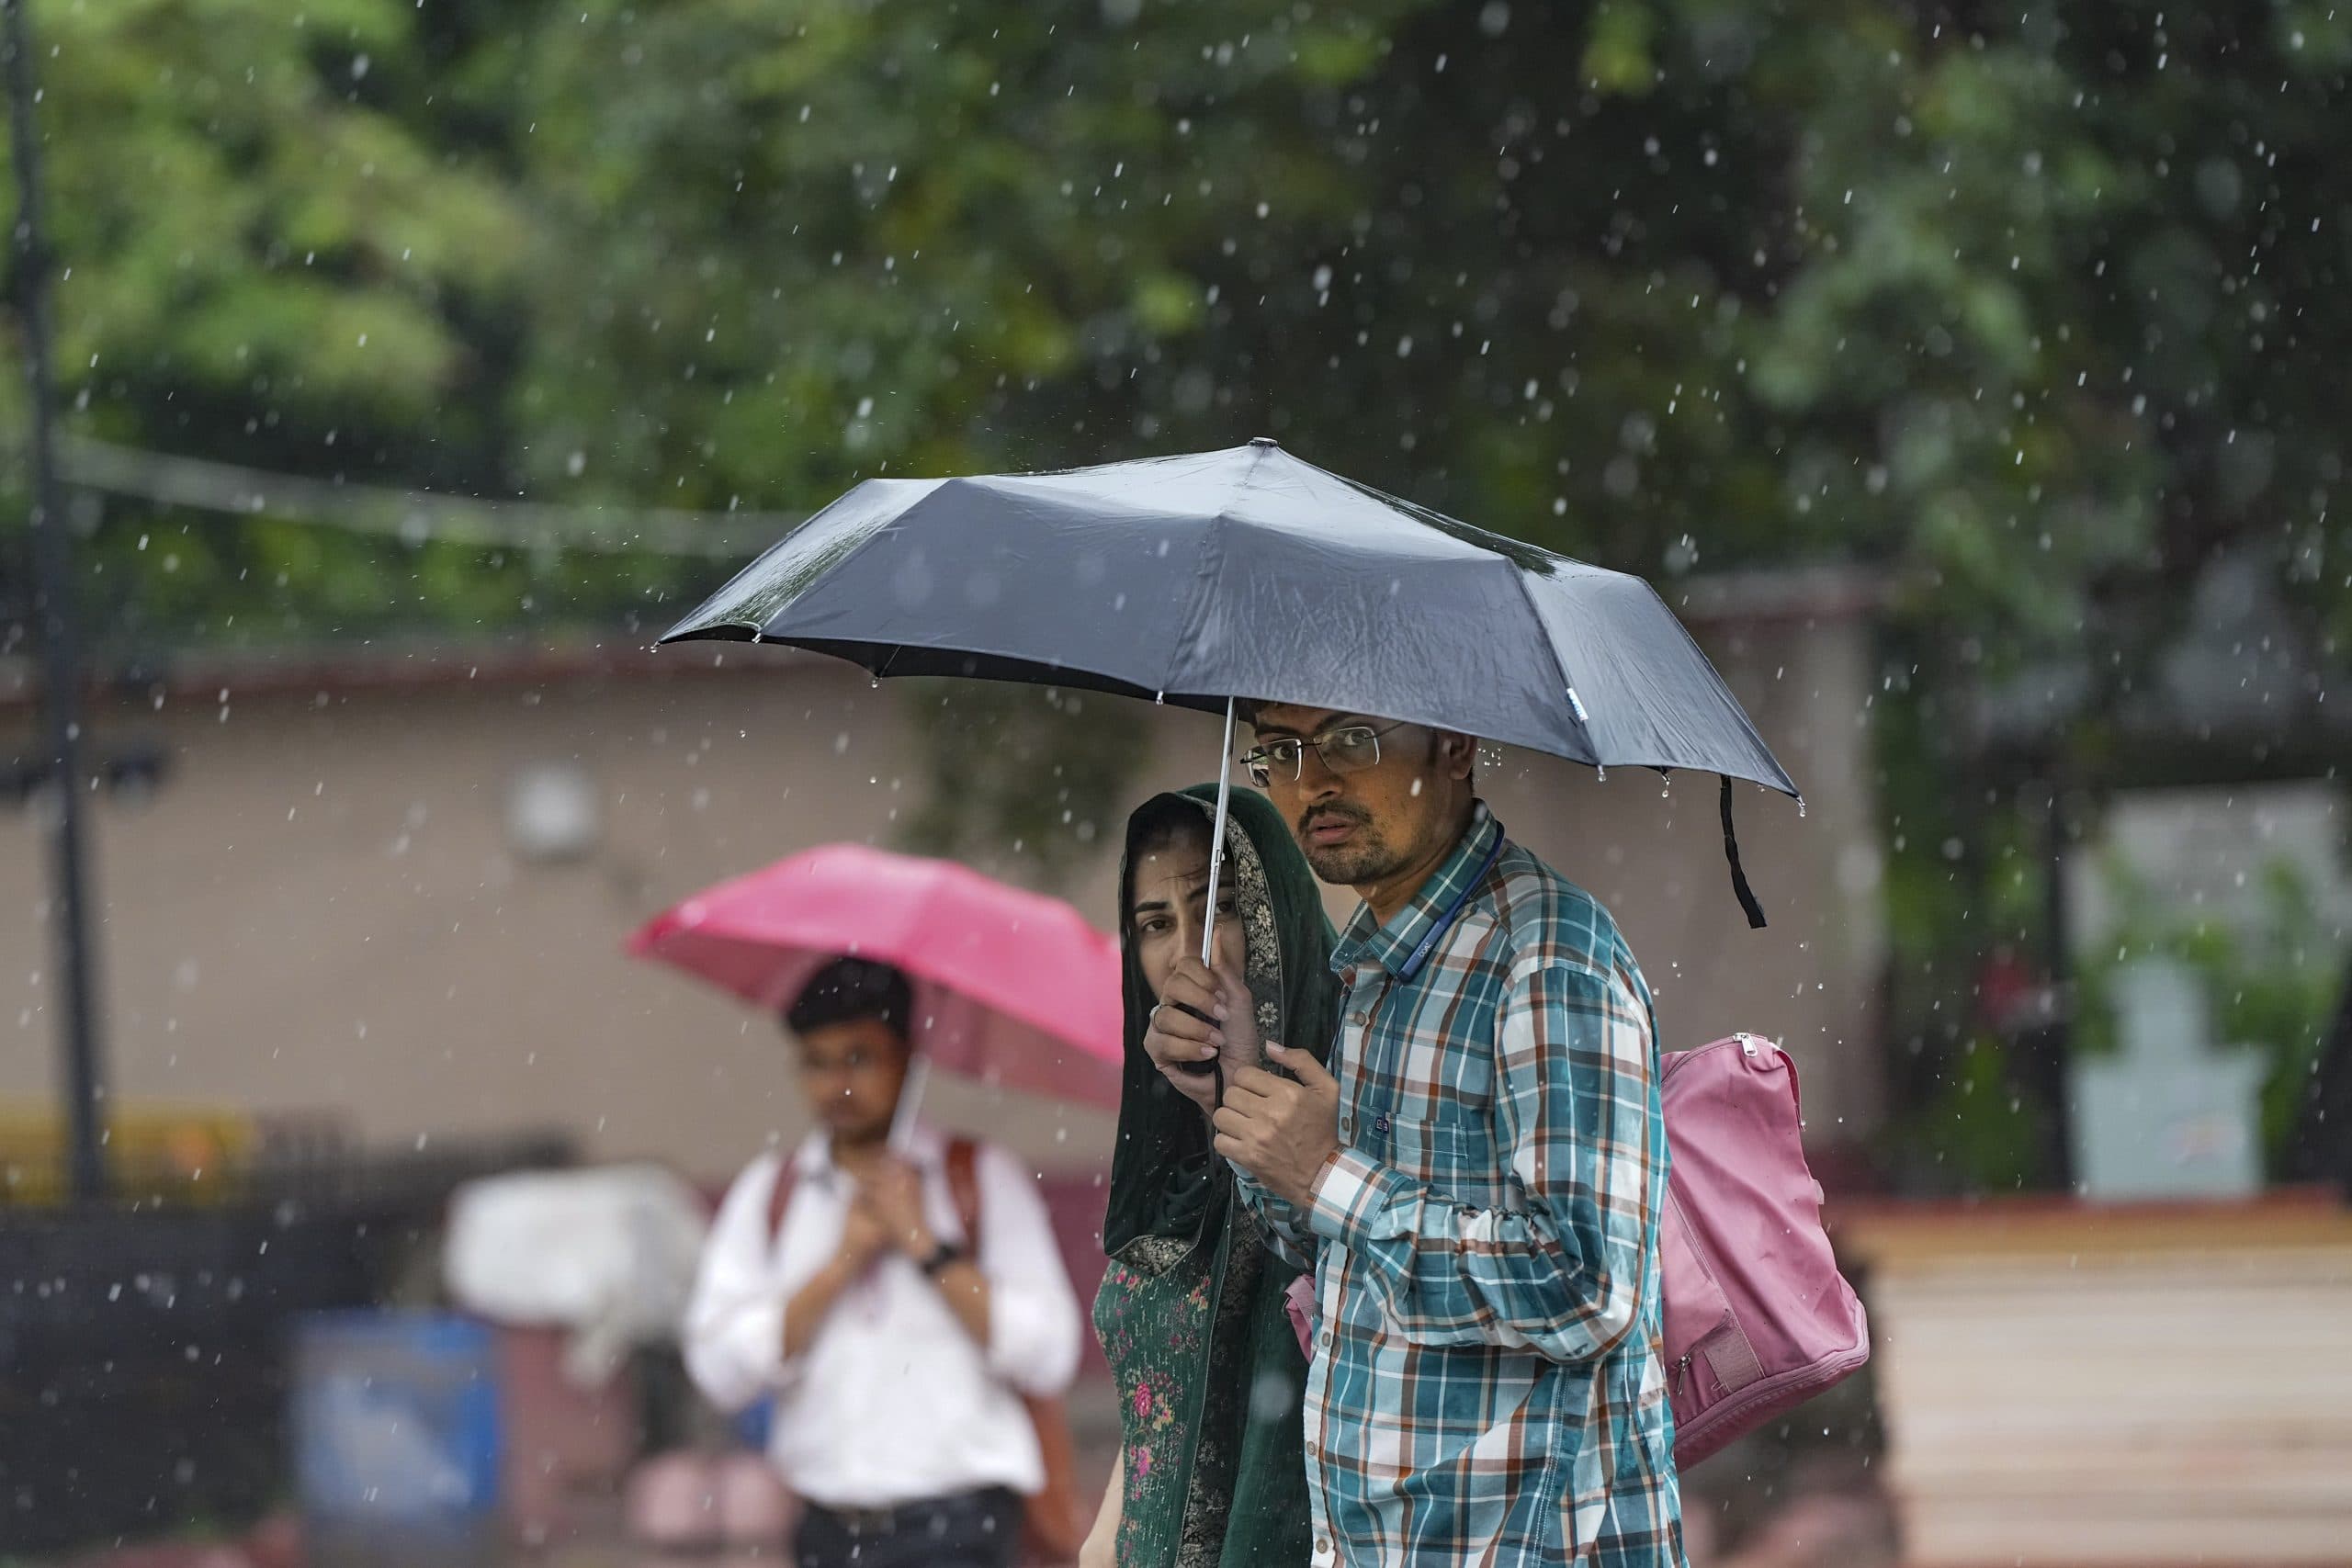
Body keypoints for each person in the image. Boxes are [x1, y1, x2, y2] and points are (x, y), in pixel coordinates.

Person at [1145, 709, 1685, 1568]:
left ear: (1456, 744)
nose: (1311, 780)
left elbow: (1588, 1289)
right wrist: (1241, 1092)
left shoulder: (1546, 957)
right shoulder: (1383, 970)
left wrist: (1329, 1175)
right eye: (1280, 750)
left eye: (1349, 739)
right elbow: (1347, 1257)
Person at [684, 956, 1083, 1568]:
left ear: (906, 1059)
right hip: (826, 1529)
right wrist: (841, 1263)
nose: (836, 1084)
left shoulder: (976, 1177)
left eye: (859, 1058)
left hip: (963, 1528)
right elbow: (718, 1370)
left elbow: (1050, 1353)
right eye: (816, 1062)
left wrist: (924, 1243)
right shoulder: (772, 1192)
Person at [1080, 786, 1340, 1568]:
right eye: (1155, 924)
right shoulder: (1171, 1162)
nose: (1186, 954)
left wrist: (1249, 1088)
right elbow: (1167, 1398)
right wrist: (1102, 1540)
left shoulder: (1350, 1111)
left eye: (1217, 907)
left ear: (1272, 913)